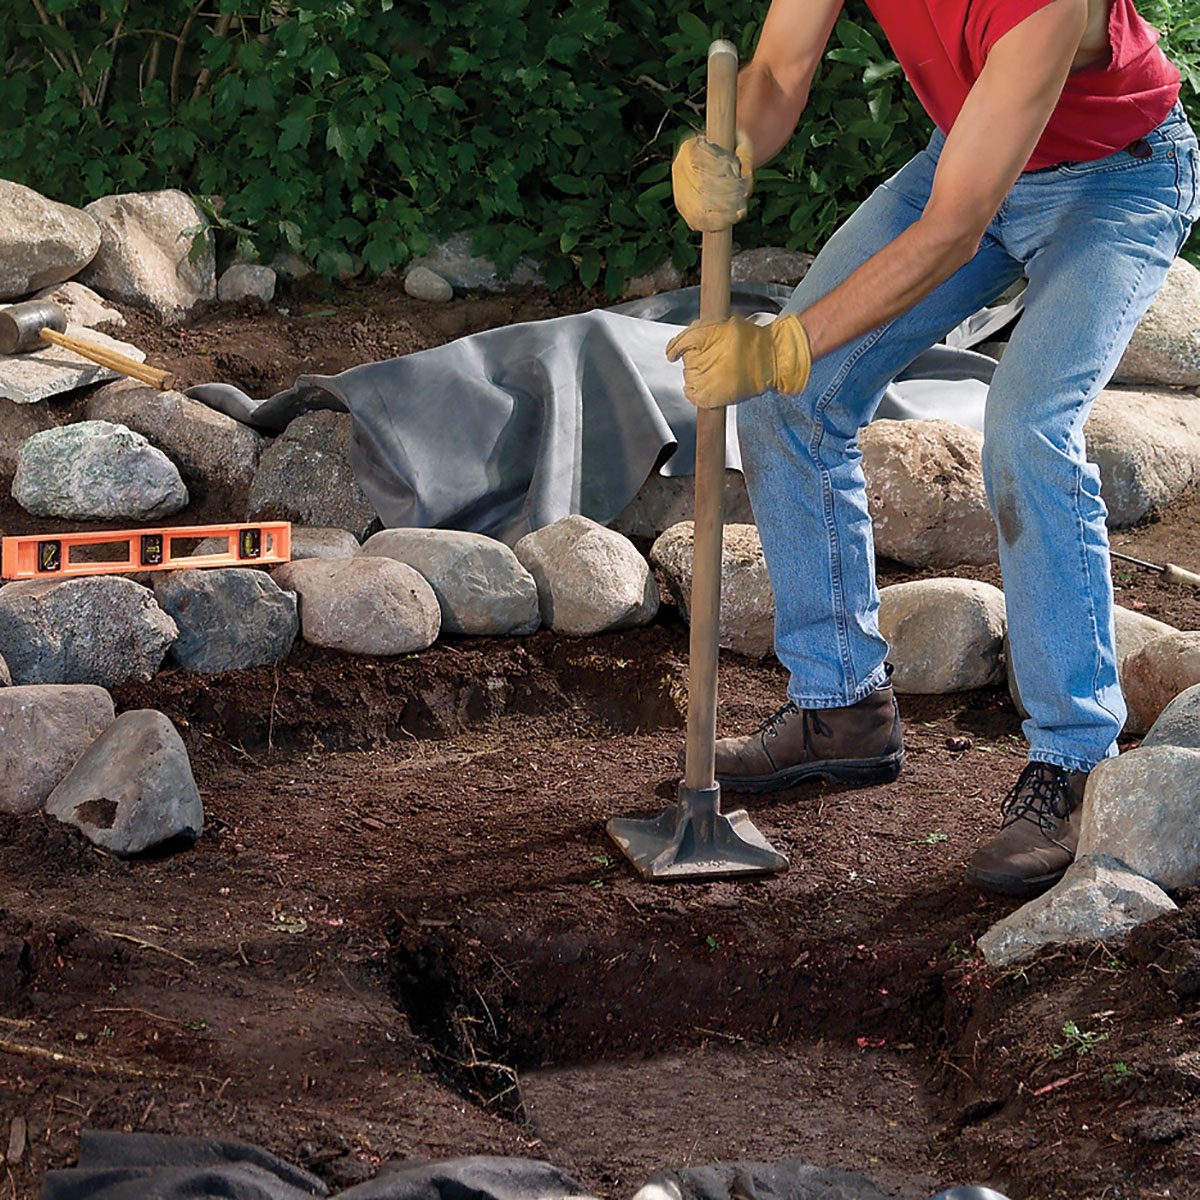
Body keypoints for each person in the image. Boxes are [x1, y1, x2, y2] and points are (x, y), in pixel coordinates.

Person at [665, 0, 1198, 898]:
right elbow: (776, 71)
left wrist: (787, 342)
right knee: (784, 403)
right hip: (967, 154)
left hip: (1116, 180)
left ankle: (1076, 763)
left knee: (1027, 427)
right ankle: (840, 707)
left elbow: (952, 227)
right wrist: (734, 145)